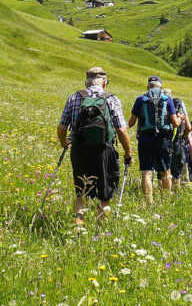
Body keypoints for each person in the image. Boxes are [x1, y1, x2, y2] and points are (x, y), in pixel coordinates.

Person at [57, 67, 132, 225]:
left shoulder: (74, 97)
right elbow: (121, 130)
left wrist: (65, 143)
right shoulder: (111, 98)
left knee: (81, 193)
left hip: (79, 150)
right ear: (105, 82)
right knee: (104, 194)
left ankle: (79, 228)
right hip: (104, 150)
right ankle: (101, 232)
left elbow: (62, 128)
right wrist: (128, 152)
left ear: (86, 82)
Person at [129, 75, 178, 206]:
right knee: (165, 171)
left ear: (148, 86)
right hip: (163, 139)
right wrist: (180, 119)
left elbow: (131, 123)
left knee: (146, 172)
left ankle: (149, 202)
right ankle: (166, 201)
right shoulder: (167, 99)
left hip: (145, 138)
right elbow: (175, 123)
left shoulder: (140, 99)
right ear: (161, 86)